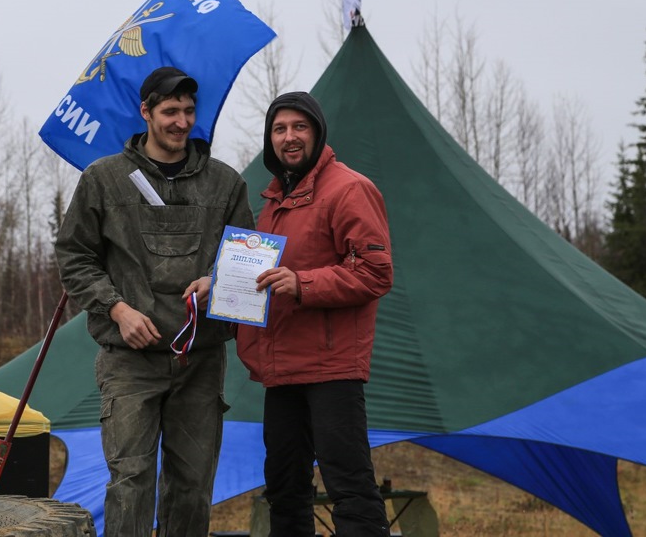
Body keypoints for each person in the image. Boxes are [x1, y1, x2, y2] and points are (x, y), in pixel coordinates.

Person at [55, 66, 254, 537]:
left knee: (192, 485)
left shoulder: (226, 185)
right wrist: (116, 309)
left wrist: (218, 279)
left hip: (200, 361)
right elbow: (74, 257)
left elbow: (249, 264)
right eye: (170, 111)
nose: (181, 122)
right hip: (129, 361)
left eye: (188, 111)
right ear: (145, 113)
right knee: (131, 481)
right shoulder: (104, 180)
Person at [236, 91, 394, 537]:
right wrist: (219, 284)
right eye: (279, 129)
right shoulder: (271, 205)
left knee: (350, 487)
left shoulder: (350, 189)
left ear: (317, 132)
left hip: (332, 367)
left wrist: (302, 284)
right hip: (281, 368)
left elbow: (376, 273)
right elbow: (258, 276)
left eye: (299, 127)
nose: (289, 137)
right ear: (270, 139)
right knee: (284, 491)